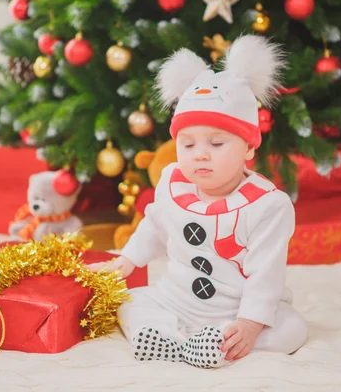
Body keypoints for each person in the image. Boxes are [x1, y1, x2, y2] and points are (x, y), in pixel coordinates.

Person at [87, 34, 308, 369]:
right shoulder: (173, 182)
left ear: (249, 148)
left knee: (292, 329)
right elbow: (156, 225)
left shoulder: (267, 206)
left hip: (233, 307)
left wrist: (249, 323)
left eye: (217, 143)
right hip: (177, 298)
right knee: (130, 300)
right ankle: (166, 338)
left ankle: (220, 340)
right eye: (188, 145)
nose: (200, 155)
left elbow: (267, 273)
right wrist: (128, 259)